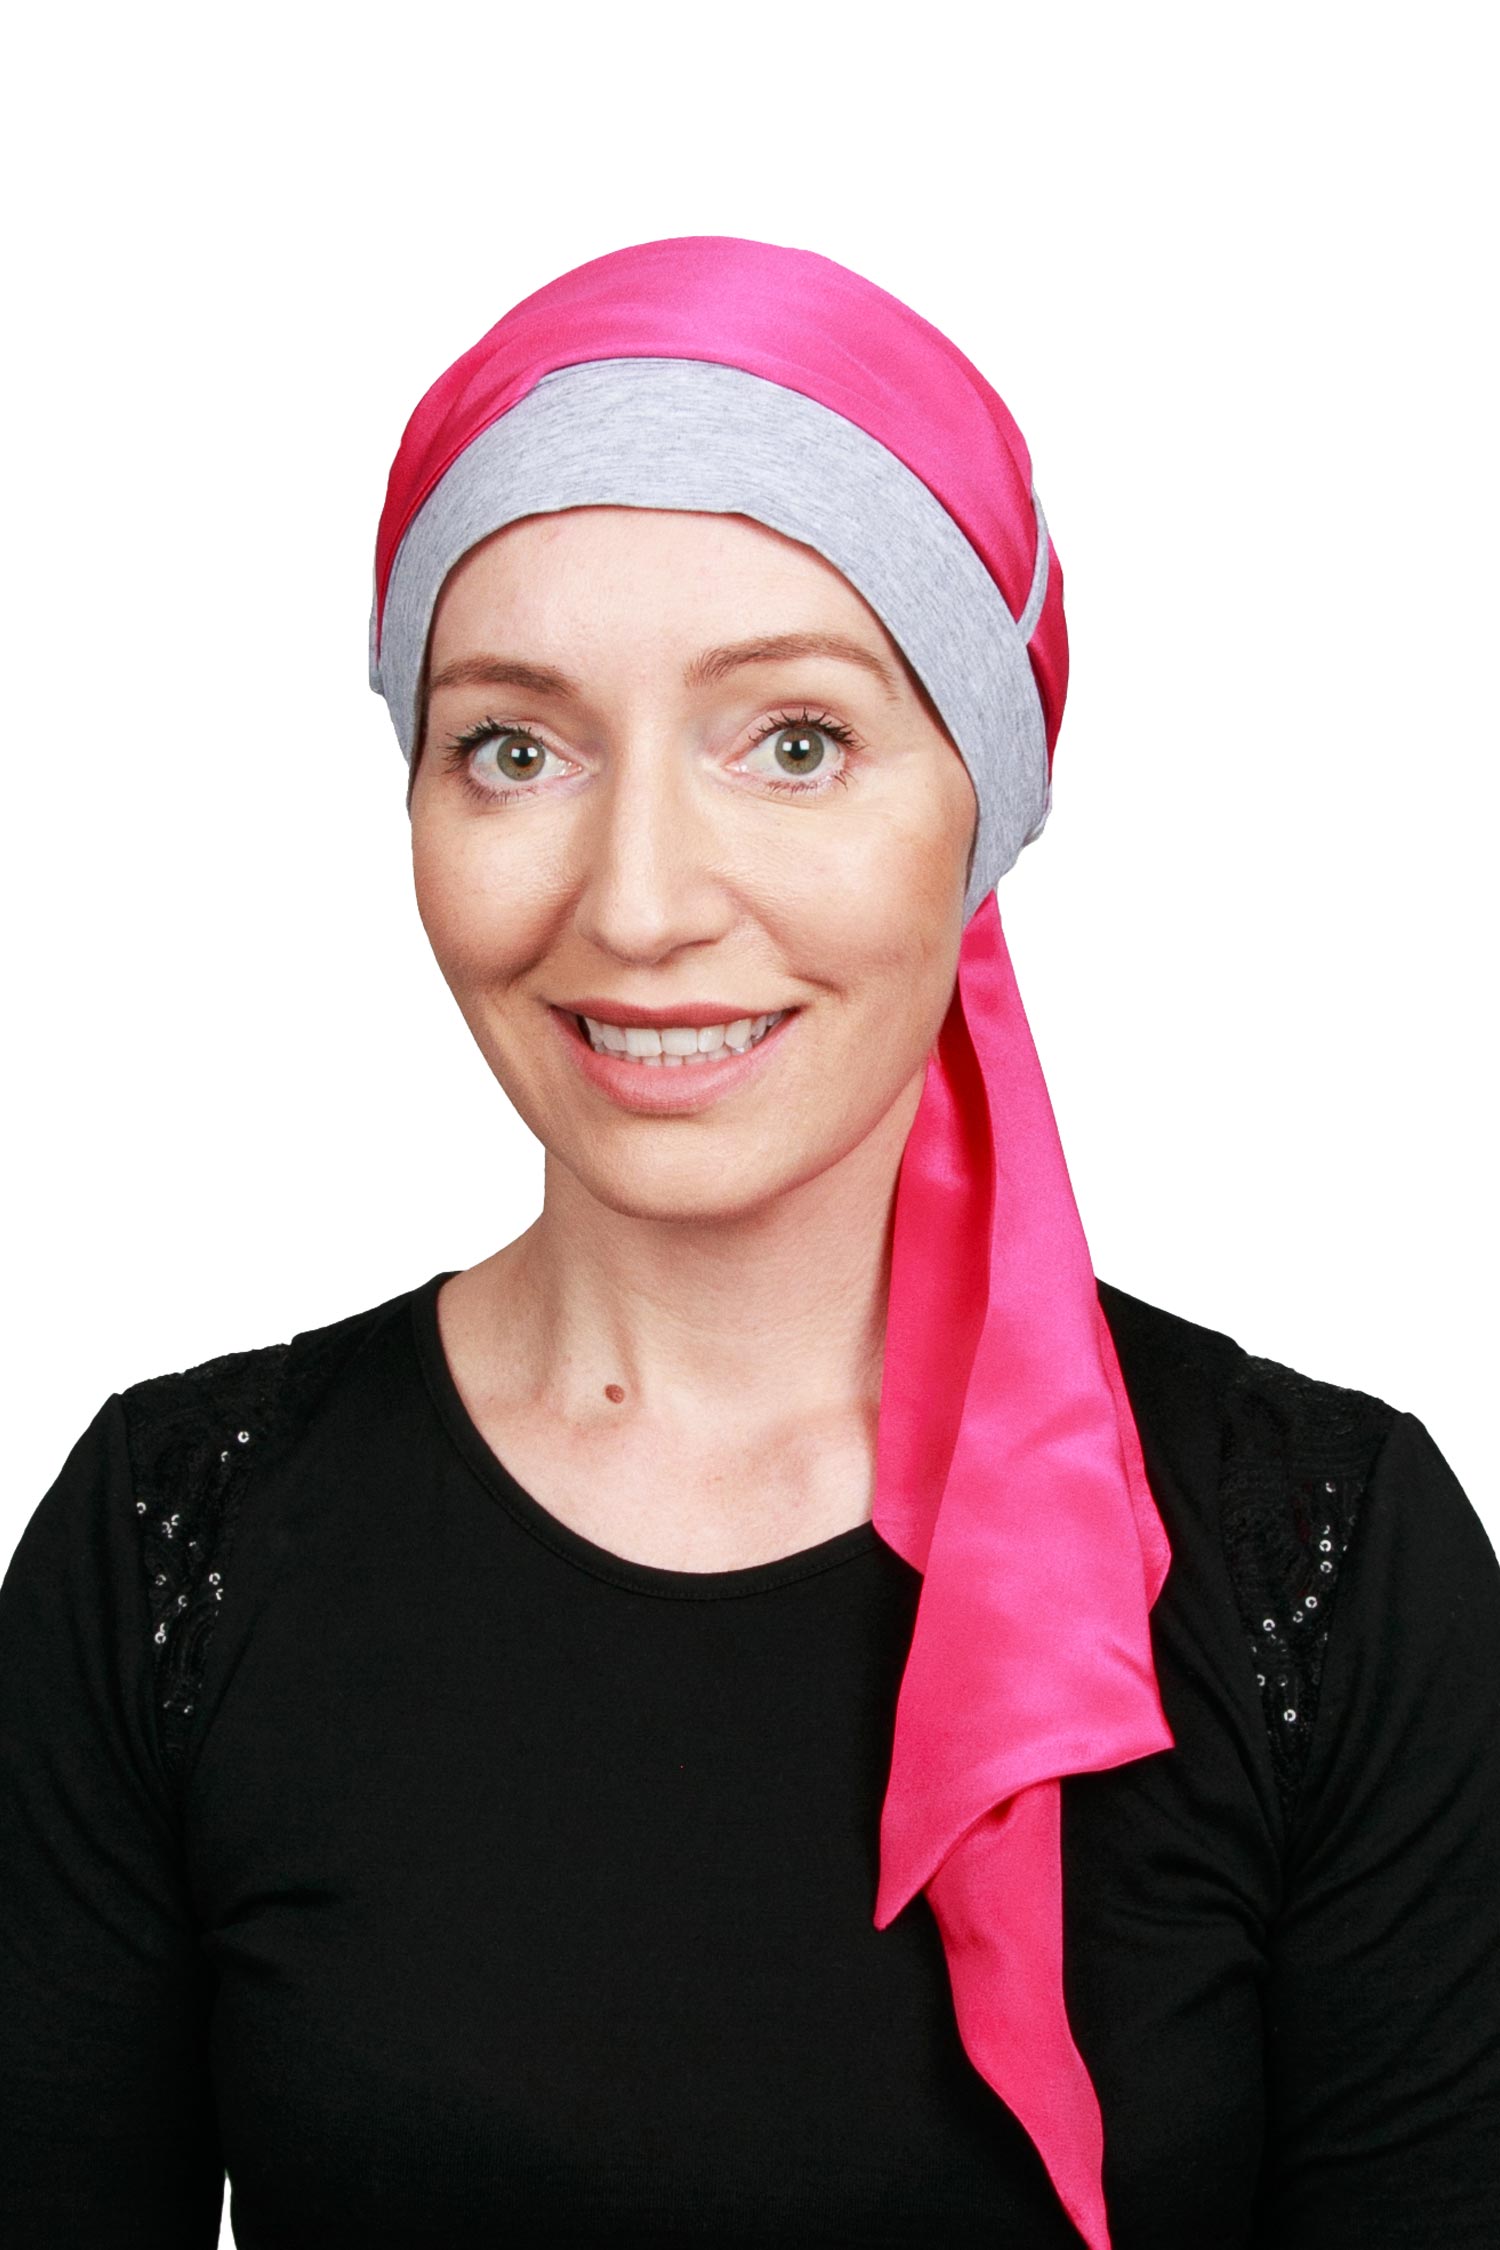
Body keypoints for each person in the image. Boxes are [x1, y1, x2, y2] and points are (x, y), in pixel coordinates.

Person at [2, 235, 1496, 2250]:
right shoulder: (165, 1541)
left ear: (980, 806)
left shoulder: (1327, 1561)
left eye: (793, 742)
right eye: (514, 747)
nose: (637, 903)